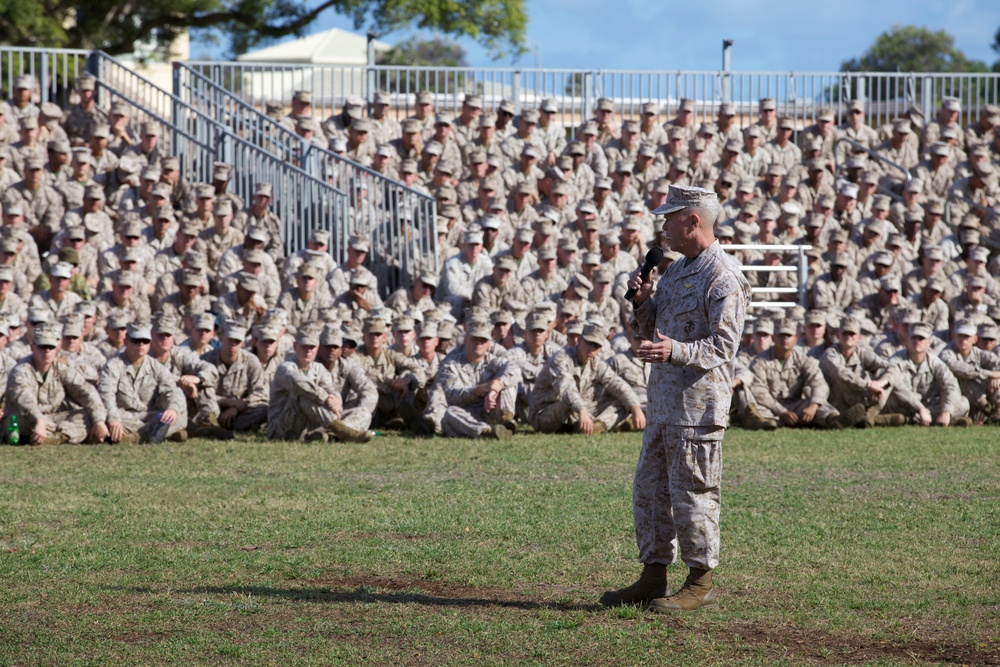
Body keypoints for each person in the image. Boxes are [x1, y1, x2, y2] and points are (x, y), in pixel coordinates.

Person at [600, 184, 750, 613]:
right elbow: (653, 332)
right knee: (649, 493)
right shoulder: (678, 270)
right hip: (663, 405)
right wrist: (644, 303)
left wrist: (674, 351)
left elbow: (724, 346)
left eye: (670, 217)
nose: (663, 225)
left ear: (692, 221)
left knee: (694, 495)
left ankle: (699, 582)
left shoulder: (723, 275)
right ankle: (653, 576)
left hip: (698, 410)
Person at [5, 321, 109, 444]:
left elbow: (86, 391)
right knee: (18, 422)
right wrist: (39, 420)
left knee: (86, 416)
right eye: (42, 347)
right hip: (28, 418)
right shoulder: (21, 370)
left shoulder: (61, 368)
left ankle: (56, 438)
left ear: (57, 348)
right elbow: (24, 400)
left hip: (51, 419)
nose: (47, 351)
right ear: (32, 347)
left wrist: (99, 421)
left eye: (51, 347)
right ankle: (58, 436)